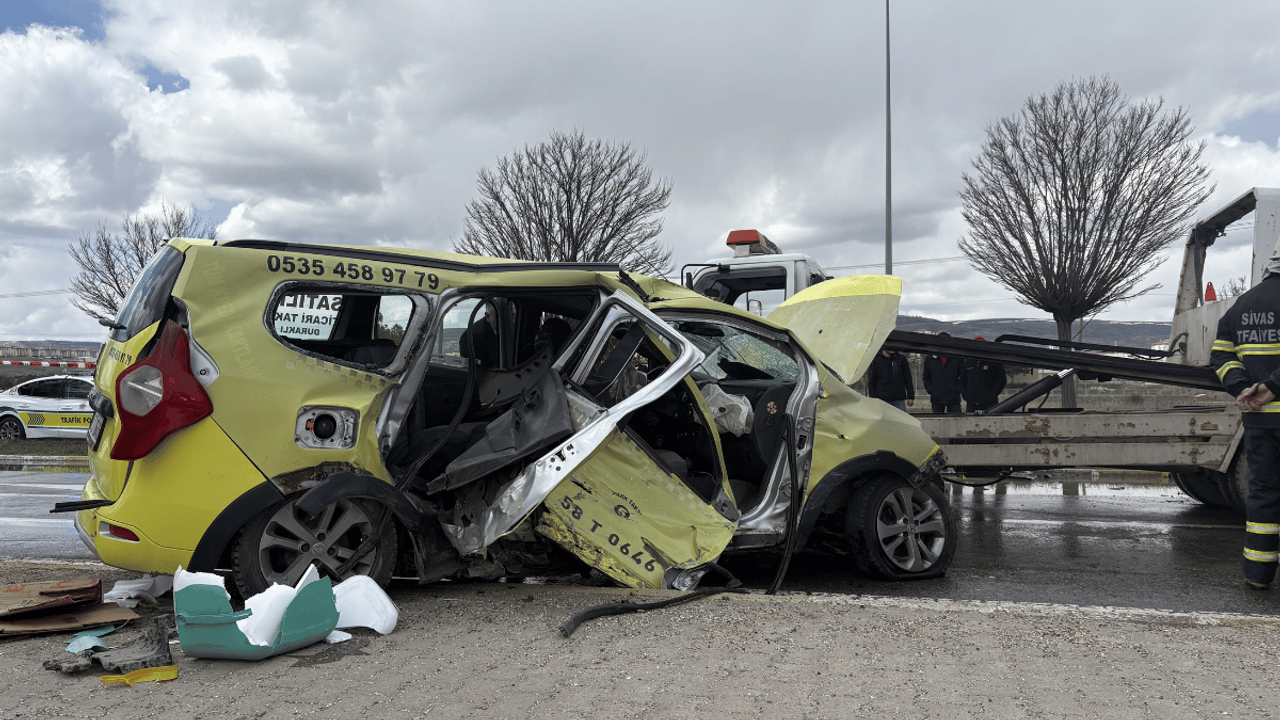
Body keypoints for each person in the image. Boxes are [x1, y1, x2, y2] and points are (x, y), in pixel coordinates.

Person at [1210, 241, 1280, 589]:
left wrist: (1242, 388)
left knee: (1264, 493)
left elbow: (1221, 355)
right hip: (1270, 403)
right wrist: (1273, 386)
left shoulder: (1244, 304)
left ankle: (1257, 574)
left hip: (1259, 419)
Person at [961, 337, 1006, 413]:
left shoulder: (993, 361)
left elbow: (1001, 380)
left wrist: (992, 396)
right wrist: (966, 396)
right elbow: (963, 380)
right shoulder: (968, 362)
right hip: (971, 404)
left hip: (990, 404)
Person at [923, 331, 963, 413]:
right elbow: (926, 377)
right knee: (937, 423)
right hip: (937, 398)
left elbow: (963, 375)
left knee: (956, 423)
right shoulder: (930, 358)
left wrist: (958, 388)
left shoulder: (957, 358)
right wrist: (931, 390)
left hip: (953, 398)